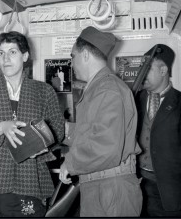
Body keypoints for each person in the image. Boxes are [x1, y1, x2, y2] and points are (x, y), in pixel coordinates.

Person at [0, 31, 65, 217]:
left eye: (12, 52)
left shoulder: (44, 91)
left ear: (25, 56)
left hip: (30, 179)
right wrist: (2, 127)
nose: (5, 59)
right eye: (1, 53)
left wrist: (44, 143)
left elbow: (57, 129)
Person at [59, 26, 142, 217]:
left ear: (86, 55)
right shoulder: (98, 88)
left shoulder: (108, 88)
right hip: (101, 184)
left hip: (110, 187)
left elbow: (106, 145)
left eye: (73, 56)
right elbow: (94, 131)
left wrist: (70, 163)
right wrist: (62, 130)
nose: (72, 63)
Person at [135, 44, 181, 217]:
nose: (142, 73)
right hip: (137, 185)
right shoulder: (135, 98)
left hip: (169, 190)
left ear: (163, 70)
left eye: (147, 68)